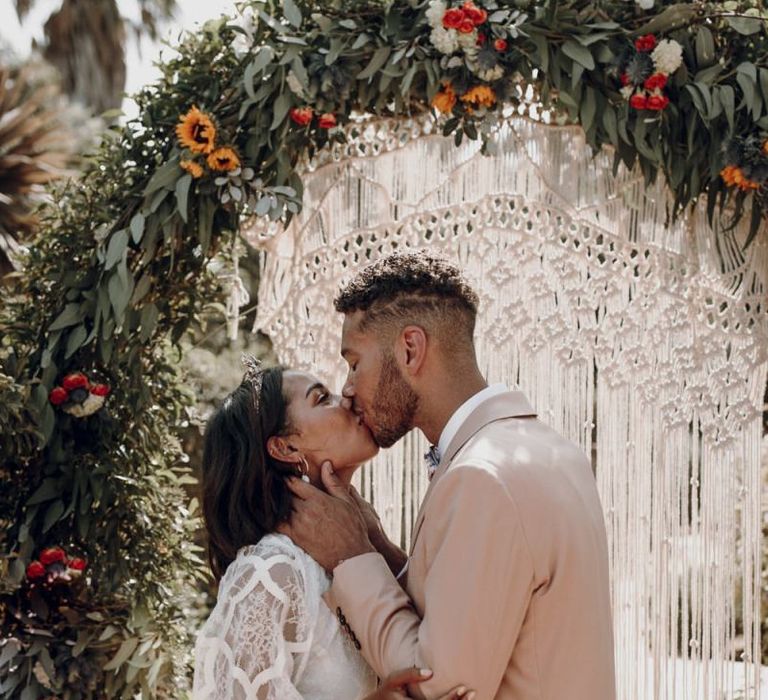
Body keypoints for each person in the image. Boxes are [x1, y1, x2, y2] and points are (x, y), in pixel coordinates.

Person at [279, 251, 617, 699]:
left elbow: (437, 685)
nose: (347, 387)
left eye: (355, 362)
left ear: (410, 349)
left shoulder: (482, 477)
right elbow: (471, 613)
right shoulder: (552, 450)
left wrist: (350, 557)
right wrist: (378, 547)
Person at [192, 359, 473, 700]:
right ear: (286, 447)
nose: (347, 399)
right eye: (321, 398)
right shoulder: (270, 572)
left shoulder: (360, 549)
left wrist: (376, 544)